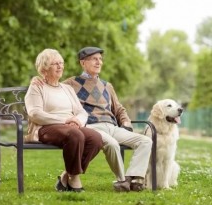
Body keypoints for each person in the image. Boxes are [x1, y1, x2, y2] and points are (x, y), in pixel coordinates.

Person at [62, 47, 153, 192]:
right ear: (83, 63)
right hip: (90, 127)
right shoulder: (70, 83)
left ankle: (132, 178)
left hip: (112, 127)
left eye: (100, 59)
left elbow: (119, 108)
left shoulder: (107, 86)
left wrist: (126, 121)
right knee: (113, 144)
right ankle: (122, 180)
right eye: (94, 59)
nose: (99, 62)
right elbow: (53, 91)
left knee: (145, 141)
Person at [24, 48, 103, 192]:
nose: (60, 66)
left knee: (96, 138)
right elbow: (35, 114)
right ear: (45, 68)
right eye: (55, 64)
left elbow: (81, 111)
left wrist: (77, 121)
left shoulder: (67, 89)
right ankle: (74, 179)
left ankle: (67, 175)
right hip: (46, 127)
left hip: (71, 126)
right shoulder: (36, 87)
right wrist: (65, 120)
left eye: (61, 63)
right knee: (75, 135)